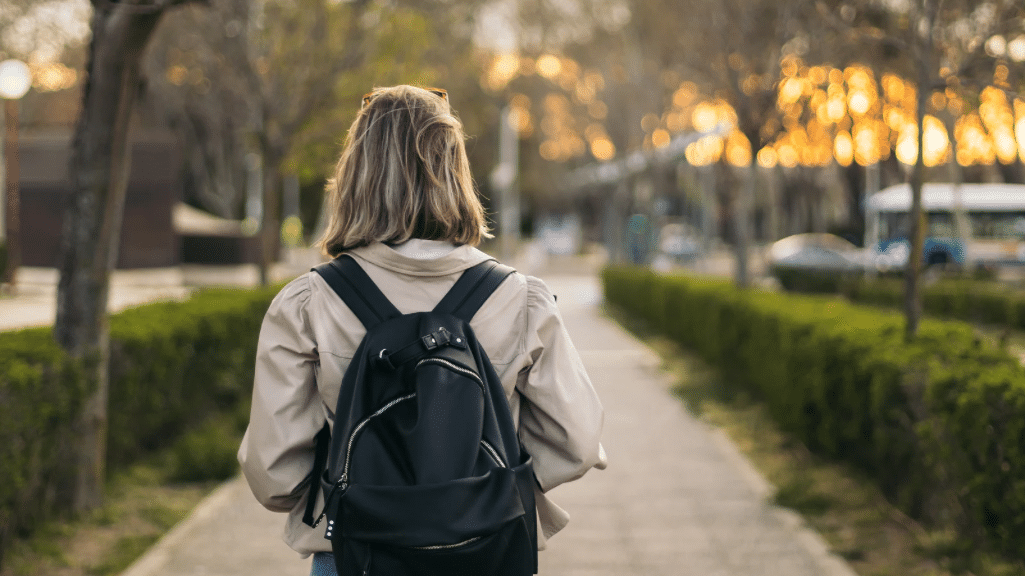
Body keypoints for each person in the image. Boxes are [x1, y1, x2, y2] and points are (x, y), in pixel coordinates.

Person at [238, 84, 607, 575]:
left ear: (355, 175)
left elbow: (274, 473)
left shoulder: (308, 304)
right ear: (455, 173)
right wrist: (480, 493)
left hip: (354, 556)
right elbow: (576, 444)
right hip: (484, 551)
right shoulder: (521, 300)